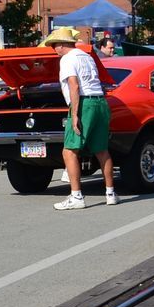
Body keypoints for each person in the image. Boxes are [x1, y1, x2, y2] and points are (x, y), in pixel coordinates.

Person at [48, 26, 119, 210]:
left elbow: (74, 86)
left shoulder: (67, 59)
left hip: (84, 104)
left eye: (54, 44)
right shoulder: (86, 56)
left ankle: (76, 196)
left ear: (63, 44)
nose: (53, 49)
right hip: (100, 102)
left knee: (69, 151)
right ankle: (111, 193)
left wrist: (74, 114)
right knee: (102, 150)